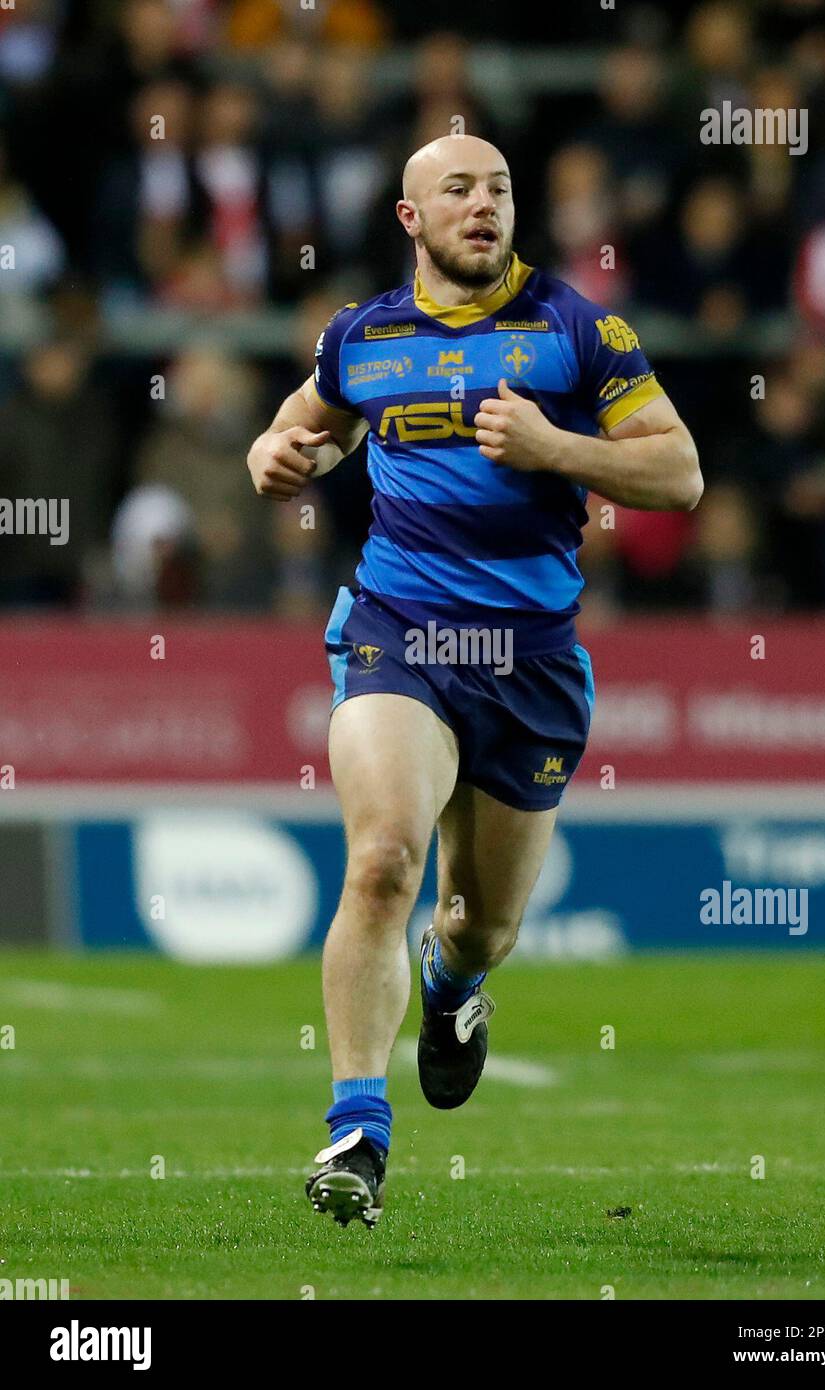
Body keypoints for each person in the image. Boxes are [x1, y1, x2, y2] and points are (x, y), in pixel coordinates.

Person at [245, 135, 702, 1227]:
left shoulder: (577, 330)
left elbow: (679, 472)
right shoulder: (363, 336)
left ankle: (455, 992)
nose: (483, 204)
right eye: (457, 189)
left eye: (498, 187)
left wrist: (559, 450)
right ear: (412, 219)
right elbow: (306, 426)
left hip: (530, 661)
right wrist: (276, 453)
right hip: (398, 633)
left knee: (478, 925)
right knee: (383, 858)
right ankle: (357, 1131)